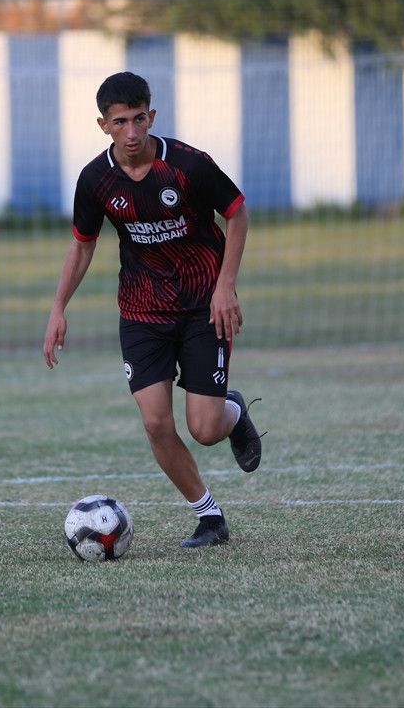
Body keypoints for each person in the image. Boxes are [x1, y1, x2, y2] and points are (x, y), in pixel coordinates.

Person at [43, 71, 264, 549]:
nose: (132, 132)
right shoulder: (95, 180)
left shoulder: (187, 165)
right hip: (142, 311)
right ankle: (209, 517)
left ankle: (231, 411)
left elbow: (237, 213)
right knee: (156, 422)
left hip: (204, 307)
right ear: (103, 125)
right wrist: (58, 307)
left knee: (205, 429)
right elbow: (82, 245)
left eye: (139, 119)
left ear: (152, 116)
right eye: (120, 122)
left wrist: (226, 285)